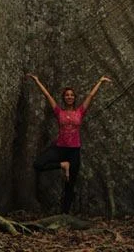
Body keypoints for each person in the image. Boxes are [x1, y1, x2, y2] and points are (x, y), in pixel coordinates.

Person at [27, 73, 112, 213]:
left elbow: (90, 96)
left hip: (74, 151)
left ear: (74, 98)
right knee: (38, 164)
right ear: (64, 98)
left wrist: (100, 81)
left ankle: (64, 214)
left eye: (72, 95)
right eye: (67, 95)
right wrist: (37, 81)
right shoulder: (58, 112)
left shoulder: (80, 112)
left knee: (70, 184)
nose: (69, 97)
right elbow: (47, 96)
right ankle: (63, 165)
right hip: (59, 149)